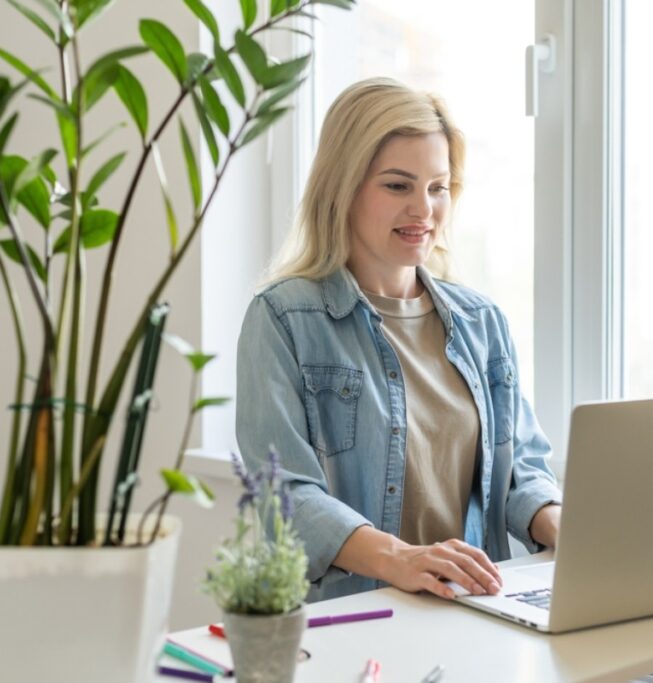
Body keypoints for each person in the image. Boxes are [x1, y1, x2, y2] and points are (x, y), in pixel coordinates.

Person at [236, 77, 562, 602]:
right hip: (353, 621)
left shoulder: (483, 322)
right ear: (343, 187)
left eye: (437, 187)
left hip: (477, 614)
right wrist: (400, 559)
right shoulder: (284, 318)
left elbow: (520, 473)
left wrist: (566, 528)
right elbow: (285, 494)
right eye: (397, 186)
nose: (424, 210)